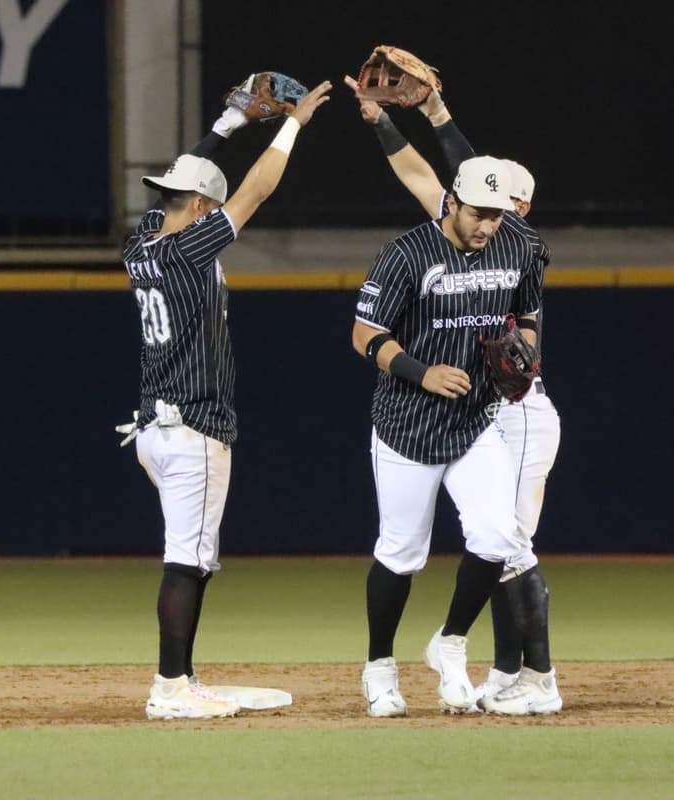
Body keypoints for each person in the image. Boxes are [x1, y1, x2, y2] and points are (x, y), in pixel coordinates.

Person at [345, 75, 562, 715]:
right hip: (409, 424)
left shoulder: (516, 242)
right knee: (401, 552)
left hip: (475, 421)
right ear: (449, 204)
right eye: (477, 213)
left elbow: (528, 311)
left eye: (499, 214)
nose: (488, 225)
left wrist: (524, 344)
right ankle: (379, 667)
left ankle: (450, 641)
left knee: (498, 537)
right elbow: (363, 335)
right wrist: (421, 371)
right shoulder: (408, 253)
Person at [117, 80, 332, 720]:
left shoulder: (141, 247)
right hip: (193, 430)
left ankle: (179, 678)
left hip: (154, 430)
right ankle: (171, 686)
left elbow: (185, 187)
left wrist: (230, 121)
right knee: (188, 563)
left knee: (189, 559)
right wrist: (293, 124)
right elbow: (255, 191)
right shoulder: (188, 248)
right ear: (205, 208)